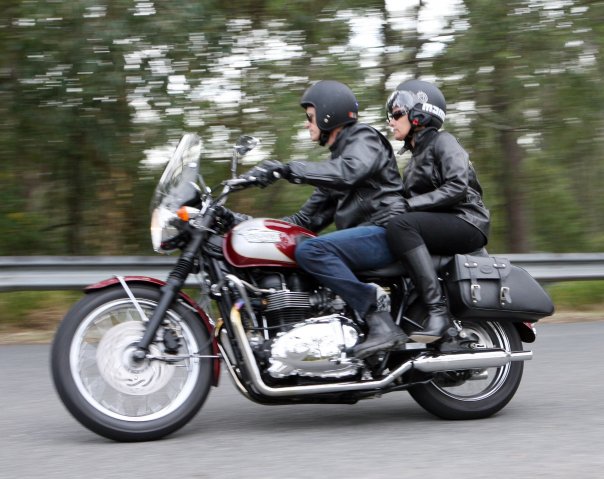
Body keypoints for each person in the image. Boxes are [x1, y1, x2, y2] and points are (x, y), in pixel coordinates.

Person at [242, 80, 408, 358]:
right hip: (367, 236)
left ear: (328, 114)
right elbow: (306, 219)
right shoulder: (337, 162)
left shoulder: (363, 138)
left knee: (312, 249)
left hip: (386, 230)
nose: (307, 124)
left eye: (310, 117)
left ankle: (379, 320)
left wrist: (287, 169)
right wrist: (244, 225)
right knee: (297, 247)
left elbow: (349, 171)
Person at [384, 79, 490, 343]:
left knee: (401, 225)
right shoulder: (413, 162)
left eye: (397, 114)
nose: (391, 121)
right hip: (441, 222)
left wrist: (408, 206)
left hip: (467, 221)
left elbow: (456, 187)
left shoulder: (445, 142)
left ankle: (437, 312)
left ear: (420, 114)